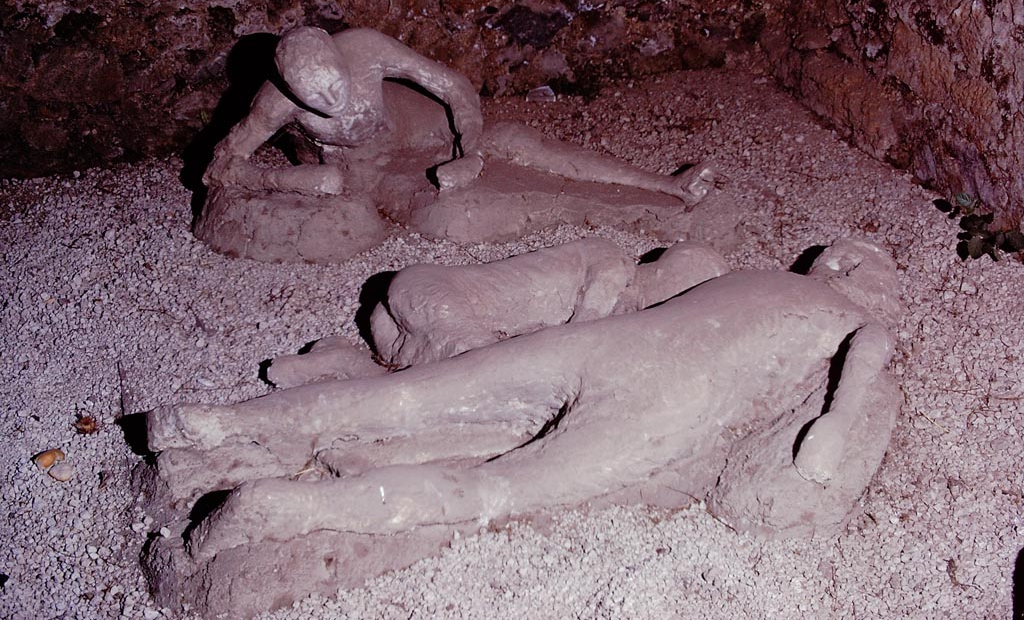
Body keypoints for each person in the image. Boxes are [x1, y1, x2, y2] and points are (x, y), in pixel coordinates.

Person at [144, 238, 902, 564]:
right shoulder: (845, 318)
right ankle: (286, 507)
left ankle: (216, 422)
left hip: (615, 346)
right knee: (491, 490)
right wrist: (835, 423)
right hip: (663, 409)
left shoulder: (762, 278)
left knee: (415, 398)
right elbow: (868, 355)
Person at [204, 26, 714, 204]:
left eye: (335, 88)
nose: (331, 103)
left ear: (339, 59)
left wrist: (469, 146)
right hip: (373, 171)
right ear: (290, 90)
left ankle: (668, 188)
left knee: (517, 139)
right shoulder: (274, 103)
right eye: (314, 100)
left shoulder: (363, 47)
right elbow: (221, 167)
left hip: (428, 132)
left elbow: (452, 85)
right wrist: (303, 183)